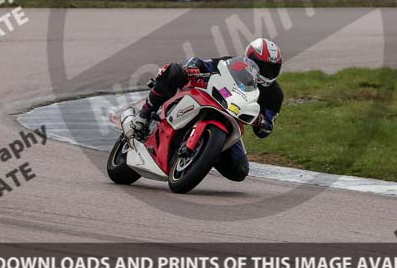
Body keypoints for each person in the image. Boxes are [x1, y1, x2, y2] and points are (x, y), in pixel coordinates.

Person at [120, 38, 283, 182]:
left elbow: (266, 129)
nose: (266, 72)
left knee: (239, 171)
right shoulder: (233, 63)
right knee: (174, 70)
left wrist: (262, 122)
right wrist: (192, 65)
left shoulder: (275, 95)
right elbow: (204, 63)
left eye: (271, 68)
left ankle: (202, 151)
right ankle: (142, 117)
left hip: (230, 118)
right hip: (207, 97)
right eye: (262, 66)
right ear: (249, 58)